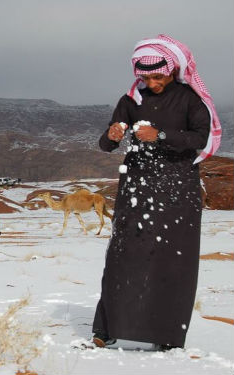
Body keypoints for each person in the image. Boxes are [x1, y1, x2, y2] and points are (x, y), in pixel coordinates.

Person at [91, 34, 222, 351]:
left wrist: (159, 135)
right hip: (136, 187)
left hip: (178, 187)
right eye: (145, 76)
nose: (152, 81)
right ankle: (107, 329)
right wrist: (111, 135)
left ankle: (166, 335)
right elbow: (107, 144)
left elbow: (200, 139)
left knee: (173, 260)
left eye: (158, 76)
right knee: (123, 256)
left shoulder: (191, 100)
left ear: (172, 69)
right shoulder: (130, 101)